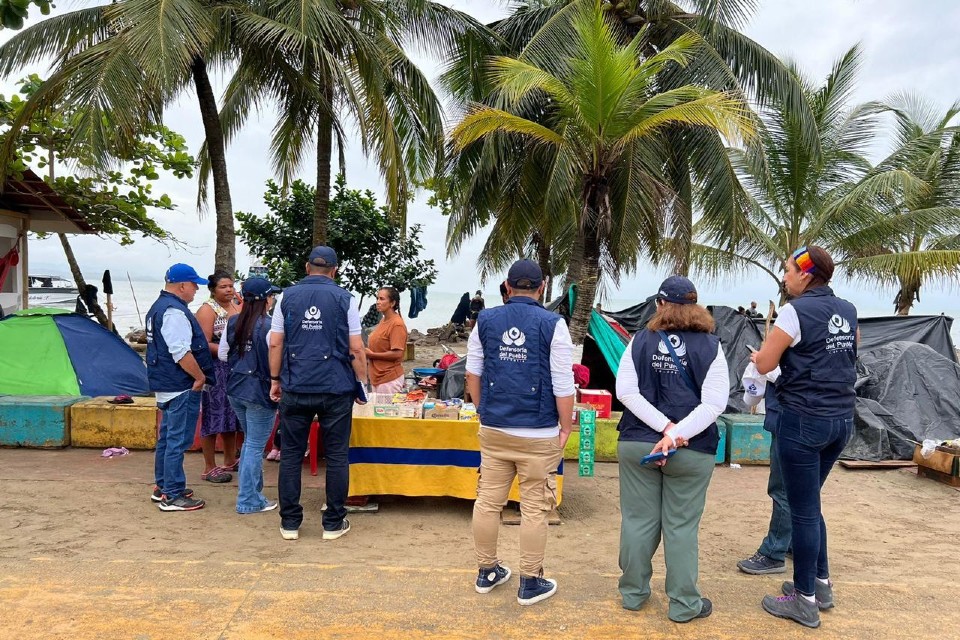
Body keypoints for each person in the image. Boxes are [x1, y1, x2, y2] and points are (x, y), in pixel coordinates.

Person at [751, 246, 857, 629]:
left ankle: (804, 600)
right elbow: (847, 358)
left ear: (806, 275)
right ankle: (821, 584)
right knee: (811, 502)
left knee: (803, 510)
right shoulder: (848, 309)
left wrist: (758, 358)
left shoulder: (795, 312)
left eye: (788, 271)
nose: (784, 277)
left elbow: (765, 363)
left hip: (803, 420)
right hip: (841, 420)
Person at [614, 275, 729, 622]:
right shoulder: (712, 346)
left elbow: (626, 393)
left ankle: (633, 595)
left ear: (660, 304)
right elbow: (714, 405)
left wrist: (664, 429)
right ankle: (683, 605)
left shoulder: (639, 341)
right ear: (695, 307)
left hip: (638, 444)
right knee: (680, 527)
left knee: (637, 521)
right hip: (691, 451)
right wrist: (676, 434)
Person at [466, 259, 575, 606]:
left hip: (495, 428)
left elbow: (473, 373)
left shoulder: (484, 320)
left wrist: (484, 411)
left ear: (507, 286)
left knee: (487, 501)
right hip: (538, 431)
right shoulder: (553, 324)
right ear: (542, 287)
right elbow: (563, 382)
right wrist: (565, 426)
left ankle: (487, 571)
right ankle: (530, 581)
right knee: (534, 507)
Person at [269, 246, 368, 541]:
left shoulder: (286, 297)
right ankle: (333, 523)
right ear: (335, 270)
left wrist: (275, 380)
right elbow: (357, 348)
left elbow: (275, 343)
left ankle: (290, 524)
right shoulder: (345, 299)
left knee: (290, 456)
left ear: (307, 266)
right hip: (336, 388)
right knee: (337, 456)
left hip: (295, 385)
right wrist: (361, 384)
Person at [146, 263, 216, 511]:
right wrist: (198, 377)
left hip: (165, 382)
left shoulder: (159, 307)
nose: (196, 289)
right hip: (180, 384)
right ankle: (172, 495)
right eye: (194, 285)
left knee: (167, 438)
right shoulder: (175, 312)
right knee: (177, 440)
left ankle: (164, 486)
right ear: (182, 285)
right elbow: (180, 351)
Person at [219, 277, 282, 514]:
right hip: (259, 391)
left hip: (236, 388)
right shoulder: (269, 327)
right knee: (255, 445)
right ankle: (248, 499)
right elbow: (275, 358)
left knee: (250, 442)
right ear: (265, 299)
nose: (273, 299)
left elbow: (224, 355)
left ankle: (253, 493)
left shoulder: (233, 321)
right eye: (271, 295)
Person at [737, 367, 791, 575]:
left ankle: (773, 552)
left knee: (783, 490)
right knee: (804, 490)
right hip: (824, 418)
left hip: (790, 422)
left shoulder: (793, 335)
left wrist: (763, 363)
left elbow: (766, 368)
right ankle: (793, 540)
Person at [195, 271, 241, 483]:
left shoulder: (236, 306)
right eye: (223, 287)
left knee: (231, 414)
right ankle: (209, 466)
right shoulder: (207, 310)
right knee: (213, 415)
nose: (229, 290)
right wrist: (226, 351)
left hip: (234, 368)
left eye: (231, 286)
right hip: (215, 368)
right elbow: (203, 343)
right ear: (213, 290)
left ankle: (230, 459)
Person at [365, 287, 408, 394]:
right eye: (377, 298)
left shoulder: (396, 324)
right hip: (377, 377)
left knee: (386, 410)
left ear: (392, 303)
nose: (378, 302)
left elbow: (398, 354)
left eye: (382, 299)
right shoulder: (384, 320)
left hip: (389, 379)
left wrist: (372, 355)